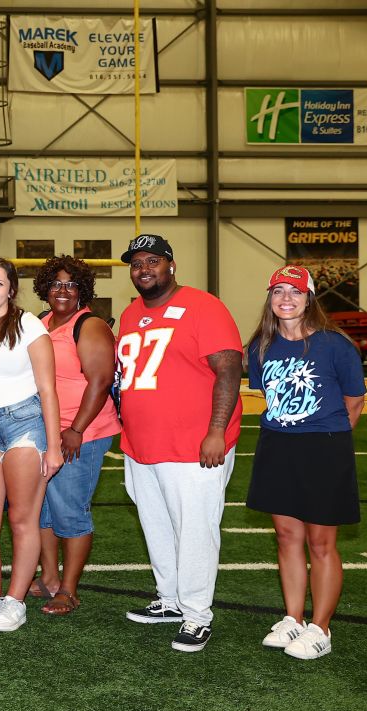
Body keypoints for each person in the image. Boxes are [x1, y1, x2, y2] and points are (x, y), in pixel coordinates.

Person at [117, 234, 242, 653]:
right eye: (136, 264)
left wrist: (216, 431)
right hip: (141, 445)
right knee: (157, 525)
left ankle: (197, 614)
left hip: (193, 445)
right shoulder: (132, 312)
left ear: (171, 265)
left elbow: (228, 371)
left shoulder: (204, 305)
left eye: (153, 261)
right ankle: (170, 599)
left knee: (194, 530)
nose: (144, 269)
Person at [246, 265, 365, 660]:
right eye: (278, 290)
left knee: (321, 542)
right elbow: (269, 397)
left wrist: (325, 439)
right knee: (286, 537)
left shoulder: (335, 345)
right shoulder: (261, 346)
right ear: (270, 297)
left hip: (324, 449)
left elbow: (354, 402)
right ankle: (293, 618)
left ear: (309, 298)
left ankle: (321, 628)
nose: (285, 298)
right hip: (278, 446)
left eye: (294, 292)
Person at [0, 258, 64, 634]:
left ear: (11, 290)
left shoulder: (30, 326)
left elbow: (49, 389)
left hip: (26, 424)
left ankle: (15, 601)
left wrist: (53, 446)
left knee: (22, 519)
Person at [29, 256, 121, 616]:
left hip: (81, 432)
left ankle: (68, 589)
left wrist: (76, 429)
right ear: (45, 289)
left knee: (70, 512)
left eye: (70, 284)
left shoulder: (90, 325)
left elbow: (100, 382)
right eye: (55, 284)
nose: (62, 291)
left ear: (82, 289)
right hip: (46, 430)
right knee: (43, 511)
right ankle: (49, 577)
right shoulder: (41, 323)